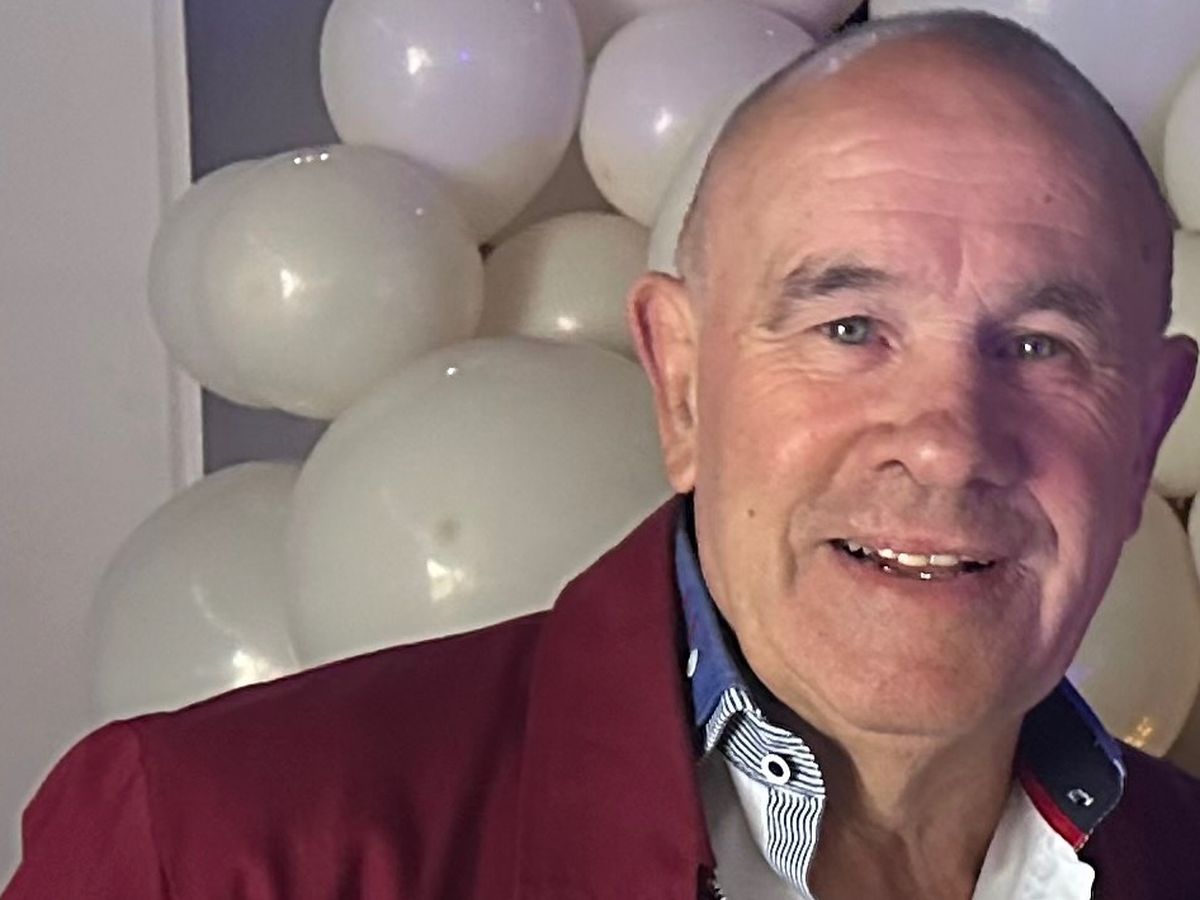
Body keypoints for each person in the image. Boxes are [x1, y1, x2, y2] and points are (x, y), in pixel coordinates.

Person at [6, 10, 1200, 900]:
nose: (945, 443)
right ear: (679, 384)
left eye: (1042, 346)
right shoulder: (215, 852)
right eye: (848, 329)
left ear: (1148, 424)